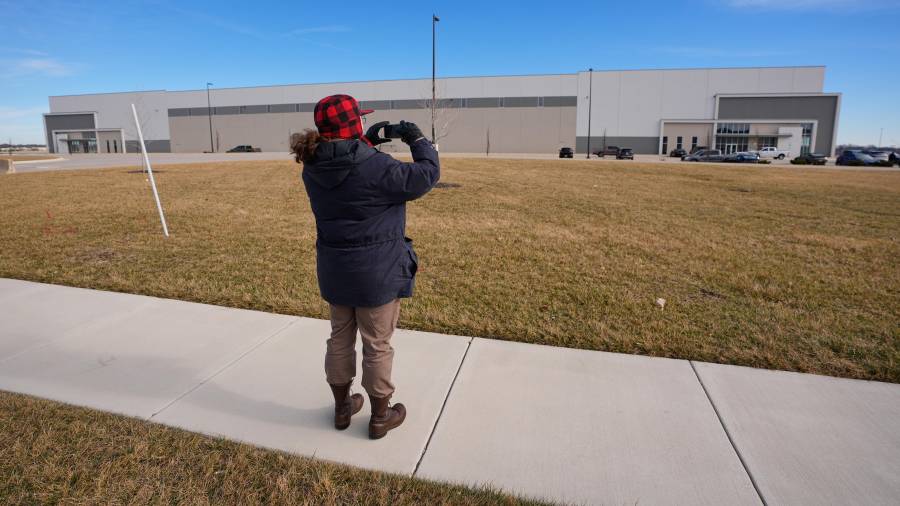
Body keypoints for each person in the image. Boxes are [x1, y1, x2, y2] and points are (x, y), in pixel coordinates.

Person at [290, 94, 440, 439]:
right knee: (377, 344)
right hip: (376, 273)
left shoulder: (311, 165)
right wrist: (417, 138)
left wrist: (368, 141)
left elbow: (345, 163)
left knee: (339, 340)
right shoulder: (376, 166)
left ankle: (342, 409)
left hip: (335, 269)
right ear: (354, 124)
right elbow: (426, 175)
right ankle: (380, 416)